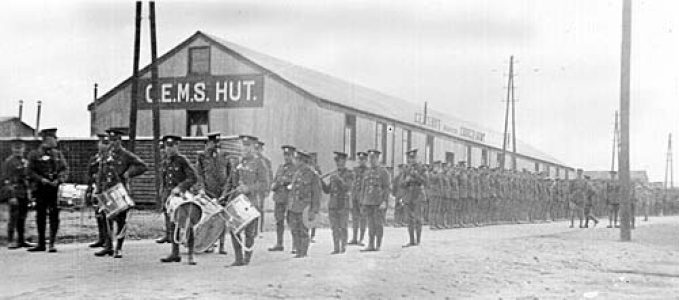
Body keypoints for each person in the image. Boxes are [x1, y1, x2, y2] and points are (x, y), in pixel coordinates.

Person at [93, 127, 147, 258]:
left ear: (120, 141)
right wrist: (98, 190)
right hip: (107, 190)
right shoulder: (105, 155)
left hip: (120, 190)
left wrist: (128, 173)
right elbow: (101, 172)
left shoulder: (126, 155)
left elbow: (142, 166)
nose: (113, 143)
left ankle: (119, 247)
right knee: (107, 219)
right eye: (110, 140)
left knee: (121, 221)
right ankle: (108, 246)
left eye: (115, 140)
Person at [27, 128, 68, 253]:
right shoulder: (34, 154)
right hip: (41, 189)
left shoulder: (58, 154)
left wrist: (59, 179)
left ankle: (52, 243)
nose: (56, 140)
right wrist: (41, 179)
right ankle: (41, 243)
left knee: (54, 215)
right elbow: (30, 171)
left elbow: (64, 169)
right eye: (54, 138)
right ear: (47, 139)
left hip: (54, 189)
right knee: (41, 215)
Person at [229, 135, 268, 266]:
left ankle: (247, 258)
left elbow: (265, 184)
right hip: (237, 201)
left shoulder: (259, 163)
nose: (245, 149)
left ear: (253, 147)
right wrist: (224, 196)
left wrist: (249, 188)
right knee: (234, 229)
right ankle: (238, 257)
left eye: (247, 146)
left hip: (251, 201)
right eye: (243, 145)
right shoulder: (238, 162)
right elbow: (231, 182)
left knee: (249, 232)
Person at [159, 135, 198, 264]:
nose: (169, 149)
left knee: (187, 224)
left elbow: (193, 178)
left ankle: (191, 255)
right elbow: (164, 182)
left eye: (172, 146)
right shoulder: (165, 162)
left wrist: (180, 188)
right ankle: (175, 253)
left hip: (182, 197)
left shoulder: (182, 160)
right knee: (172, 225)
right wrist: (163, 196)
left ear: (177, 146)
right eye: (166, 146)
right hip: (170, 198)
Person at [195, 132, 229, 254]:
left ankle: (222, 245)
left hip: (221, 193)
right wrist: (201, 189)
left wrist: (225, 192)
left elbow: (229, 177)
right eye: (212, 143)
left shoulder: (224, 156)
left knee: (222, 219)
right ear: (207, 143)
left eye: (216, 143)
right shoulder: (202, 157)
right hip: (208, 193)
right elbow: (199, 174)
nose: (214, 145)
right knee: (207, 220)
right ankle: (208, 243)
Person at [288, 149, 321, 258]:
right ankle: (298, 250)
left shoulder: (312, 175)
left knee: (303, 230)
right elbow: (293, 190)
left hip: (305, 207)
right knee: (294, 229)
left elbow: (316, 194)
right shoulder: (297, 173)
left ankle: (303, 252)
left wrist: (314, 210)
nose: (295, 161)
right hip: (295, 206)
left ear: (302, 161)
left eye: (297, 159)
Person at [1, 138, 33, 249]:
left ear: (24, 149)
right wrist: (11, 195)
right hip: (14, 192)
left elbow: (27, 178)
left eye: (20, 148)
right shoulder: (9, 162)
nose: (18, 150)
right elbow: (6, 180)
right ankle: (10, 240)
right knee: (13, 217)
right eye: (16, 148)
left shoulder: (25, 162)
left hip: (23, 192)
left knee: (22, 217)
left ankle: (21, 240)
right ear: (12, 149)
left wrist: (29, 192)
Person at [321, 152, 354, 254]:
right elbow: (327, 190)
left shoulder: (349, 174)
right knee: (334, 227)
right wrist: (320, 181)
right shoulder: (333, 174)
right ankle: (336, 247)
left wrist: (339, 179)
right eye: (337, 162)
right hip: (333, 204)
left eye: (340, 161)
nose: (338, 164)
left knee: (343, 226)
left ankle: (343, 247)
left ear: (344, 161)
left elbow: (347, 188)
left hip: (343, 204)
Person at [359, 149, 390, 252]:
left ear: (378, 159)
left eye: (374, 158)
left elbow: (386, 188)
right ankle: (371, 244)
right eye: (370, 158)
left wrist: (384, 201)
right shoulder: (367, 172)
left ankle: (378, 244)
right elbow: (364, 188)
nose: (371, 161)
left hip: (378, 202)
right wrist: (363, 201)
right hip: (368, 202)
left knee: (378, 224)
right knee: (370, 224)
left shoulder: (383, 172)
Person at [268, 145, 297, 252]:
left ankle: (295, 245)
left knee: (292, 221)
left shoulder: (296, 168)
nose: (286, 157)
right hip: (279, 198)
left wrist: (284, 181)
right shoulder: (280, 167)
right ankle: (279, 243)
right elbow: (276, 180)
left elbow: (294, 181)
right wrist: (274, 185)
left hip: (289, 198)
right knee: (279, 221)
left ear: (293, 155)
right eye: (285, 155)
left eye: (289, 155)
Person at [86, 133, 111, 249]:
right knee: (98, 215)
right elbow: (90, 175)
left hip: (107, 189)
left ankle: (108, 240)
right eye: (101, 143)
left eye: (106, 143)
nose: (103, 146)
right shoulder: (94, 159)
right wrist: (90, 188)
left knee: (107, 216)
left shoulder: (110, 159)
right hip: (96, 188)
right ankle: (101, 238)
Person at [402, 149, 426, 247]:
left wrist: (417, 175)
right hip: (408, 195)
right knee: (409, 219)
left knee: (418, 218)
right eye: (410, 158)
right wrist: (406, 181)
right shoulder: (406, 169)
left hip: (418, 195)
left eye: (413, 158)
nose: (412, 160)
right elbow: (401, 183)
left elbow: (426, 181)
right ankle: (411, 240)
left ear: (417, 158)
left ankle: (418, 240)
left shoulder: (421, 168)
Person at [348, 152, 368, 246]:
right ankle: (354, 238)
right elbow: (352, 183)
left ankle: (361, 239)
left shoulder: (368, 171)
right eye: (359, 159)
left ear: (366, 160)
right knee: (354, 218)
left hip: (363, 197)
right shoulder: (354, 170)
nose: (361, 161)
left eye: (363, 159)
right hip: (354, 196)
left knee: (363, 218)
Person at [254, 140, 273, 232]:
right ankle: (253, 228)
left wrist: (267, 189)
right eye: (256, 149)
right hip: (252, 188)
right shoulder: (252, 160)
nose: (257, 151)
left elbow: (269, 176)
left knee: (260, 208)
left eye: (259, 149)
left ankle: (260, 228)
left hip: (261, 189)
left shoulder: (266, 161)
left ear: (262, 150)